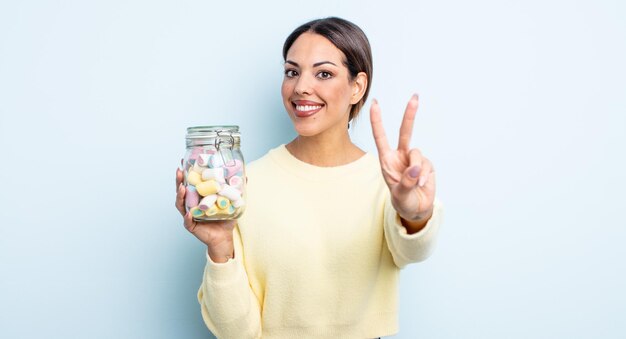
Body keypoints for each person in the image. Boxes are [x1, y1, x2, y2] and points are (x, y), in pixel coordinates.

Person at [175, 17, 443, 339]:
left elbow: (411, 251)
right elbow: (237, 333)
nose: (301, 86)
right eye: (292, 72)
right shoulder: (244, 186)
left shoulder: (388, 182)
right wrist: (220, 247)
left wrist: (415, 215)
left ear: (357, 87)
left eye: (324, 73)